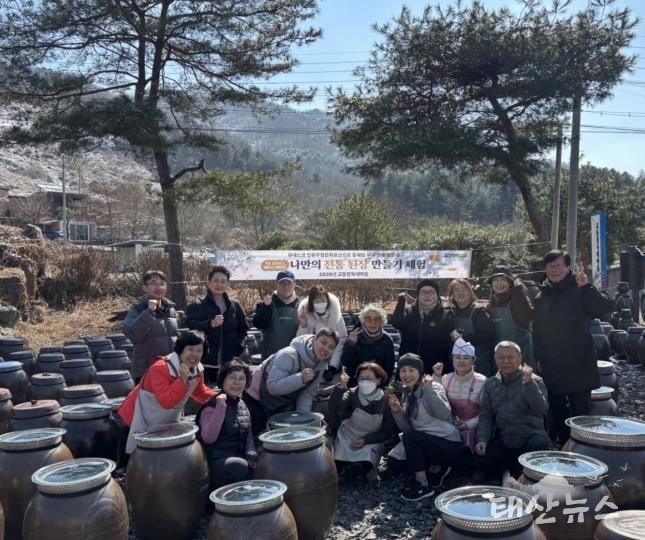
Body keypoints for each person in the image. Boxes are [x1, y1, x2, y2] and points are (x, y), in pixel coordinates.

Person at [532, 250, 613, 444]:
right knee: (557, 409)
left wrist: (587, 287)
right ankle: (564, 447)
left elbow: (604, 308)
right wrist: (539, 358)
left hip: (579, 362)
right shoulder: (542, 295)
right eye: (550, 266)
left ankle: (583, 448)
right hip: (552, 364)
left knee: (580, 412)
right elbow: (538, 331)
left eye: (559, 266)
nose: (555, 270)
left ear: (568, 267)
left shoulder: (580, 289)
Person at [118, 330, 217, 454]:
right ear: (181, 349)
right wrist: (182, 380)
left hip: (164, 423)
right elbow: (166, 402)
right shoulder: (160, 368)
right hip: (137, 419)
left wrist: (220, 397)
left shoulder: (197, 369)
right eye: (190, 349)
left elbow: (200, 392)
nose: (195, 354)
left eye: (199, 350)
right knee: (136, 457)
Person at [387, 353, 463, 501]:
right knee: (394, 463)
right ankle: (435, 469)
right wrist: (397, 411)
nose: (407, 375)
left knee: (411, 439)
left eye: (411, 370)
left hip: (447, 442)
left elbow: (445, 416)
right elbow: (408, 430)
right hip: (425, 443)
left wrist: (430, 390)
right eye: (403, 370)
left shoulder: (433, 386)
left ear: (420, 371)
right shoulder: (407, 393)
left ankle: (422, 485)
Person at [473, 341, 550, 482]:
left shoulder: (534, 380)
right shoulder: (491, 383)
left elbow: (541, 409)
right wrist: (482, 439)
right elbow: (486, 415)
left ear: (520, 358)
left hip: (531, 437)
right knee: (481, 464)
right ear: (495, 358)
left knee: (536, 453)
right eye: (501, 357)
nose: (506, 361)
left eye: (510, 357)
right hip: (506, 438)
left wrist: (529, 384)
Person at [245, 328, 340, 432]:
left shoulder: (320, 364)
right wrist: (300, 378)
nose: (325, 348)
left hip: (280, 403)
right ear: (314, 339)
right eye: (323, 342)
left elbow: (307, 394)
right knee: (257, 433)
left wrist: (304, 421)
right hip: (256, 396)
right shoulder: (289, 354)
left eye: (331, 347)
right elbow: (272, 386)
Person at [329, 362, 396, 481]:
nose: (365, 382)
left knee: (367, 463)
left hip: (372, 439)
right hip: (348, 436)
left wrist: (366, 440)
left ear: (379, 380)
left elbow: (387, 430)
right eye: (362, 378)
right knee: (337, 462)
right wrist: (341, 387)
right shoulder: (352, 393)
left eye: (369, 379)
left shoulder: (386, 400)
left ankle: (359, 470)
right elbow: (334, 408)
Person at [197, 359, 256, 490]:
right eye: (232, 377)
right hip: (216, 463)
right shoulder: (211, 405)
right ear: (222, 380)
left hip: (238, 458)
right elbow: (208, 437)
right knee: (238, 465)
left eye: (242, 378)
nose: (237, 382)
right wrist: (220, 408)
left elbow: (248, 435)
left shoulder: (242, 405)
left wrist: (252, 454)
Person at [185, 265, 248, 383]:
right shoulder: (197, 304)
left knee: (228, 391)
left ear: (227, 284)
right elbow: (191, 324)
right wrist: (210, 324)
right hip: (205, 362)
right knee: (206, 393)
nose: (219, 284)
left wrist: (238, 347)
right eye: (216, 281)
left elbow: (243, 329)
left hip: (229, 362)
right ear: (209, 283)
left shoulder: (235, 305)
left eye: (223, 281)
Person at [432, 338, 486, 453]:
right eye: (457, 357)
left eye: (466, 358)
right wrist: (436, 376)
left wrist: (467, 425)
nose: (461, 361)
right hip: (449, 426)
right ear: (452, 359)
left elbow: (485, 413)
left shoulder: (482, 381)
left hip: (473, 428)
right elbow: (436, 402)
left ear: (473, 360)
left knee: (466, 436)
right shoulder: (445, 378)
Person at [123, 270, 179, 382]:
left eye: (162, 283)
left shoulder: (171, 310)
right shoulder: (137, 311)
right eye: (153, 283)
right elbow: (132, 334)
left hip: (170, 369)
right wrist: (149, 312)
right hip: (146, 372)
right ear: (144, 287)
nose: (159, 287)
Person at [391, 279, 455, 374]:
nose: (427, 295)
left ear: (437, 295)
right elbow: (396, 323)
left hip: (436, 368)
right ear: (418, 295)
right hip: (410, 368)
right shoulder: (409, 311)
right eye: (423, 292)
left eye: (431, 292)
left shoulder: (446, 314)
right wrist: (401, 301)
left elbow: (453, 338)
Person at [487, 266, 535, 369]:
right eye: (496, 280)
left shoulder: (517, 296)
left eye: (503, 279)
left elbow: (528, 316)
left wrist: (518, 291)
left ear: (510, 283)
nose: (499, 283)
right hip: (501, 355)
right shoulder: (492, 302)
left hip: (521, 354)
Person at [296, 284, 348, 381]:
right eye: (317, 301)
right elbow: (300, 341)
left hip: (332, 362)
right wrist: (303, 325)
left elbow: (341, 341)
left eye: (323, 300)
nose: (320, 303)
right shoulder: (307, 315)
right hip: (311, 362)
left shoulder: (336, 316)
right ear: (312, 303)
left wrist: (333, 366)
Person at [446, 279, 496, 376]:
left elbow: (486, 336)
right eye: (456, 290)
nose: (460, 293)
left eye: (464, 289)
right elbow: (449, 330)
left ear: (470, 292)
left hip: (479, 360)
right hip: (457, 361)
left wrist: (463, 340)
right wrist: (456, 337)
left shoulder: (479, 311)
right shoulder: (449, 312)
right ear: (452, 294)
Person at [341, 303, 395, 386]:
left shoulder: (387, 340)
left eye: (376, 319)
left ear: (381, 321)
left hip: (377, 385)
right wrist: (351, 344)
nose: (372, 323)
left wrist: (381, 387)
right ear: (363, 321)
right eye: (368, 319)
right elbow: (346, 362)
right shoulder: (354, 336)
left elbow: (389, 368)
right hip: (356, 384)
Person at [252, 271, 300, 359]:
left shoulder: (301, 305)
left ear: (294, 285)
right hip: (270, 357)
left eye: (289, 283)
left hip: (295, 357)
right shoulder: (267, 303)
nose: (285, 286)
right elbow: (258, 324)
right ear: (276, 285)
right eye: (282, 283)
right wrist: (266, 307)